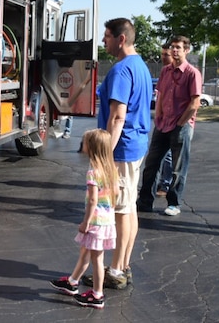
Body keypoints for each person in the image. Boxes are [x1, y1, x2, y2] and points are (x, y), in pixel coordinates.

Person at [85, 18, 152, 290]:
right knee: (130, 208)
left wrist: (104, 156)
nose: (104, 41)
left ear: (121, 39)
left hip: (122, 149)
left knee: (122, 211)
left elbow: (117, 117)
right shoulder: (141, 66)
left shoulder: (123, 70)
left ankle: (115, 271)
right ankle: (123, 265)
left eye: (107, 36)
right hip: (135, 147)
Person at [50, 129, 117, 309]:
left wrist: (86, 222)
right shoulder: (111, 170)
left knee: (97, 259)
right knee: (85, 252)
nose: (83, 145)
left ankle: (97, 294)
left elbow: (93, 200)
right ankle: (72, 282)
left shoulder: (93, 172)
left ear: (92, 148)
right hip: (107, 221)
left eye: (85, 142)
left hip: (95, 222)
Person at [137, 35, 202, 216]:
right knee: (151, 164)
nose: (174, 50)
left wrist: (180, 124)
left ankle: (174, 203)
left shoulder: (192, 73)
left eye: (178, 47)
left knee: (177, 168)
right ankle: (144, 201)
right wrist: (157, 116)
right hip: (163, 124)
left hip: (180, 126)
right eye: (173, 47)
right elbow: (160, 95)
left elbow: (194, 103)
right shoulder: (166, 71)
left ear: (186, 50)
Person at [156, 44, 173, 196]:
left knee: (168, 156)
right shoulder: (164, 72)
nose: (163, 57)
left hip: (175, 122)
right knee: (156, 156)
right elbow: (160, 94)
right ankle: (159, 184)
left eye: (165, 55)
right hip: (162, 120)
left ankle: (165, 185)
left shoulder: (186, 73)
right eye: (161, 54)